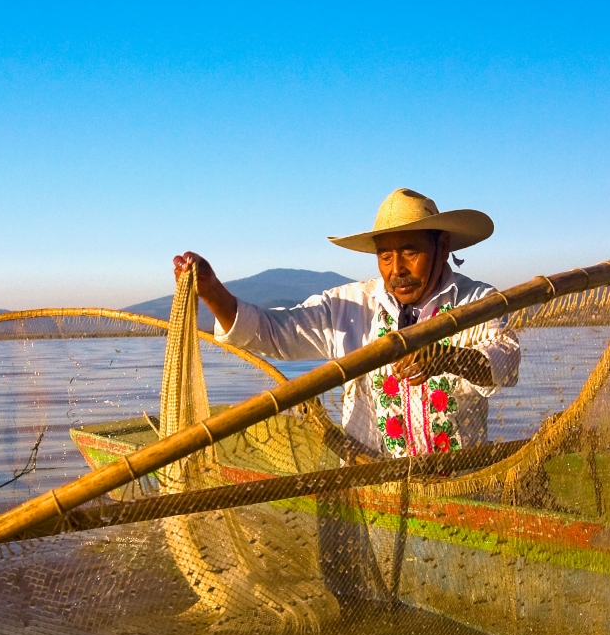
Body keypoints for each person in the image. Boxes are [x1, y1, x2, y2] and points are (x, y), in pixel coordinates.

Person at [174, 188, 520, 458]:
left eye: (410, 252)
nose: (396, 268)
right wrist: (212, 291)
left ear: (441, 247)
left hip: (456, 488)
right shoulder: (348, 306)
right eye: (386, 255)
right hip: (370, 484)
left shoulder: (477, 302)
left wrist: (448, 358)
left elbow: (504, 363)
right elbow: (271, 332)